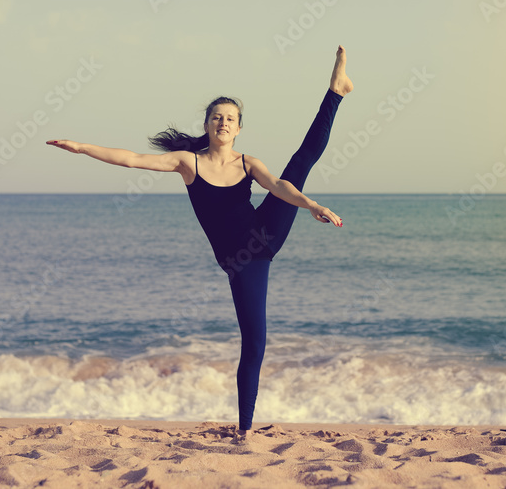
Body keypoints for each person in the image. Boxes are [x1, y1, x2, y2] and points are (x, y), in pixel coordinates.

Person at [47, 45, 353, 440]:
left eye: (230, 118)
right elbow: (132, 159)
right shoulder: (186, 162)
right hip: (243, 260)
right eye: (217, 117)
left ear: (239, 127)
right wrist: (82, 147)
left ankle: (336, 91)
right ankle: (245, 429)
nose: (223, 122)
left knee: (300, 162)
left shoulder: (248, 163)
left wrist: (311, 204)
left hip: (264, 237)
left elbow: (279, 186)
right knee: (255, 342)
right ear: (207, 124)